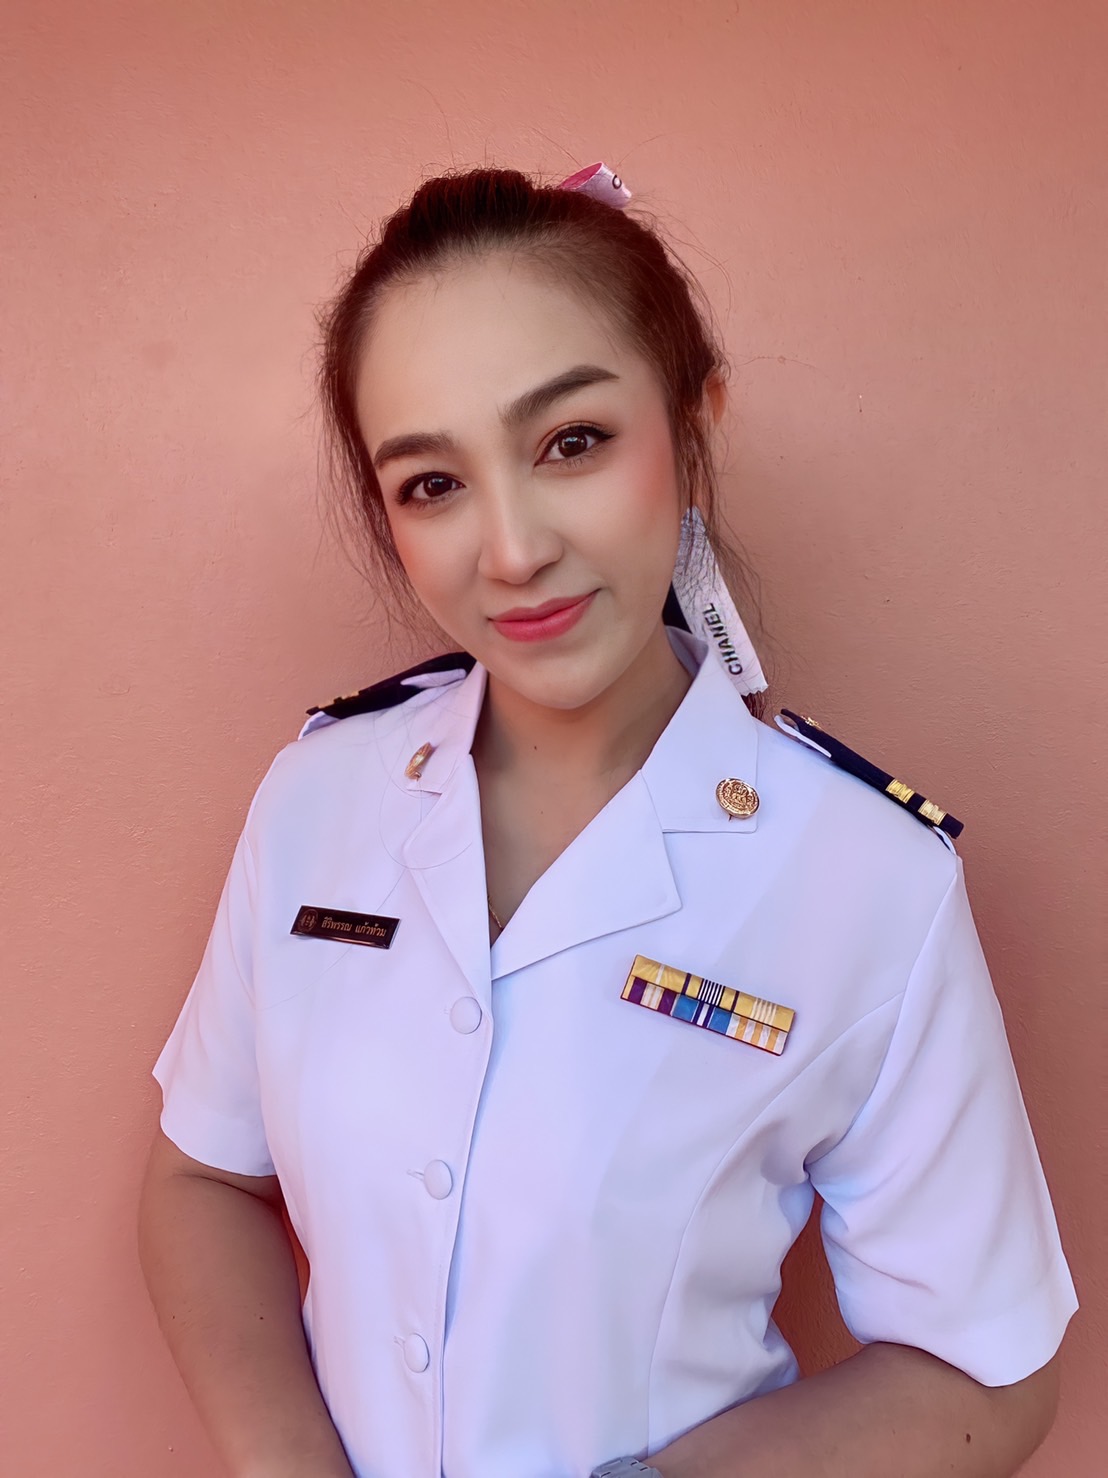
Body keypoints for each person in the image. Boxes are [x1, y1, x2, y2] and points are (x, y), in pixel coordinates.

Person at [137, 163, 1077, 1478]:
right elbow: (201, 1178)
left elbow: (986, 1369)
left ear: (692, 430)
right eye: (431, 483)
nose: (513, 549)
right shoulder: (318, 799)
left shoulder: (866, 880)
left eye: (572, 442)